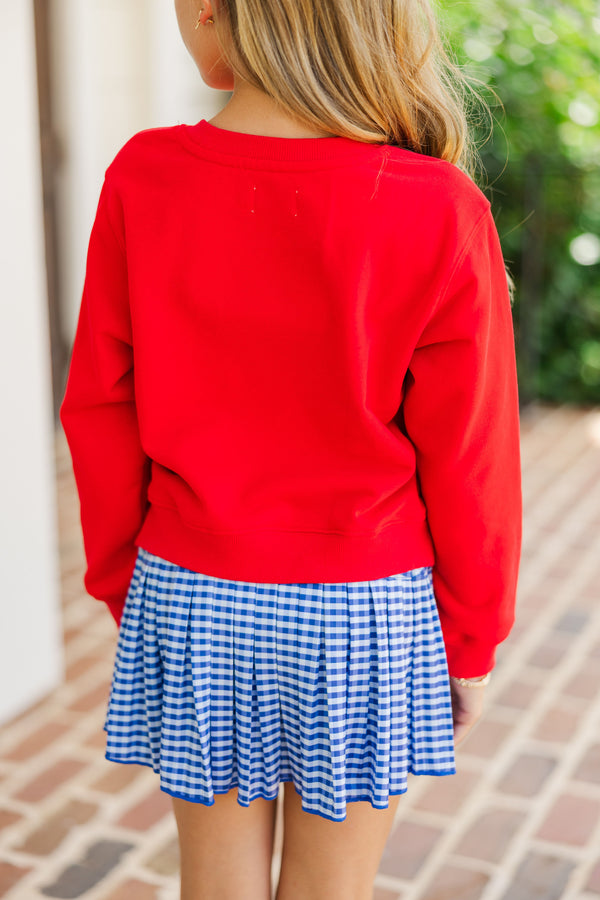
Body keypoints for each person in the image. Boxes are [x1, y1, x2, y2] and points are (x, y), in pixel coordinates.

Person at [59, 0, 522, 896]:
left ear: (209, 13)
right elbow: (472, 458)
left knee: (216, 886)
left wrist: (129, 582)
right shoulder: (439, 205)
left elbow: (102, 409)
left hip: (191, 593)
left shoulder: (144, 176)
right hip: (367, 613)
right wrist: (467, 638)